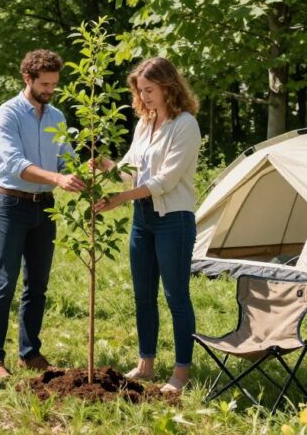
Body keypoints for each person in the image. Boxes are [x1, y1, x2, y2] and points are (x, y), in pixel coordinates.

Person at [92, 57, 201, 394]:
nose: (145, 97)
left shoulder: (185, 125)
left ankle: (181, 372)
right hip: (144, 218)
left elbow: (165, 180)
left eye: (150, 90)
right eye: (141, 91)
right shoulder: (144, 124)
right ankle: (146, 363)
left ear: (169, 86)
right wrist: (107, 166)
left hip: (174, 221)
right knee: (143, 296)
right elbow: (132, 169)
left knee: (176, 296)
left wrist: (121, 198)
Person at [0, 49, 86, 380]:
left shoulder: (56, 117)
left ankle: (30, 352)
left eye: (54, 84)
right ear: (27, 78)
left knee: (37, 284)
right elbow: (14, 164)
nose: (50, 90)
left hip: (45, 207)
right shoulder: (6, 115)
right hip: (11, 206)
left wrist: (86, 168)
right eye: (45, 83)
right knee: (4, 282)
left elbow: (66, 160)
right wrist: (57, 178)